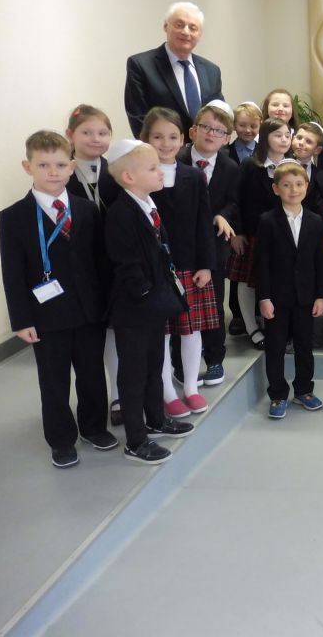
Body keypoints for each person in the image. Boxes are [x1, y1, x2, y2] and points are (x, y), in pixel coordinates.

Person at [0, 131, 114, 467]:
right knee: (54, 380)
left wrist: (107, 306)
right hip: (46, 315)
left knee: (92, 374)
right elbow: (12, 273)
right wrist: (21, 320)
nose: (53, 171)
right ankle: (61, 439)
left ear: (72, 167)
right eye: (43, 165)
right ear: (28, 167)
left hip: (88, 310)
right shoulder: (13, 217)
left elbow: (100, 263)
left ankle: (93, 427)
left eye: (61, 165)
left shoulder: (86, 210)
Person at [104, 140, 194, 463]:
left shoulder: (148, 205)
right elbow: (125, 262)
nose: (160, 172)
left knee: (156, 363)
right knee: (134, 373)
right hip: (135, 308)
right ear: (129, 177)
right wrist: (145, 293)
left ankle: (156, 419)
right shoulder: (121, 214)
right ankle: (135, 439)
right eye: (153, 168)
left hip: (154, 303)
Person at [141, 107, 217, 419]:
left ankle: (191, 387)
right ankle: (167, 392)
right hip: (156, 268)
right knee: (162, 333)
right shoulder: (141, 176)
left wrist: (206, 265)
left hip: (190, 265)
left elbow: (203, 222)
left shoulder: (194, 176)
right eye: (157, 137)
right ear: (146, 139)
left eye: (173, 136)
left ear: (184, 138)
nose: (166, 143)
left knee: (190, 329)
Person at [64, 105, 123, 423]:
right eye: (86, 132)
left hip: (114, 268)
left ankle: (118, 396)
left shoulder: (117, 172)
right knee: (87, 345)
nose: (95, 139)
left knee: (114, 333)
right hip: (79, 272)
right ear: (70, 135)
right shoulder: (61, 174)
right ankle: (91, 403)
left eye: (102, 133)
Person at [256, 161, 323, 419]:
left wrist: (321, 295)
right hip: (276, 297)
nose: (293, 190)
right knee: (275, 346)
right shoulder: (267, 221)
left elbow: (321, 262)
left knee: (304, 345)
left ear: (307, 187)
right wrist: (264, 297)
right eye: (286, 185)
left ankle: (304, 389)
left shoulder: (315, 221)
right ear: (276, 189)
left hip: (306, 297)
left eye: (298, 184)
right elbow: (261, 263)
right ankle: (277, 393)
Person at [178, 100, 240, 388]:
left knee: (213, 303)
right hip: (180, 245)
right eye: (206, 127)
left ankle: (215, 358)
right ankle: (180, 363)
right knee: (180, 304)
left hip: (214, 244)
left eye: (219, 130)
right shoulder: (176, 160)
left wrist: (222, 215)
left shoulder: (230, 167)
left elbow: (234, 202)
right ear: (193, 131)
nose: (212, 134)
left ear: (227, 138)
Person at [228, 118, 292, 349]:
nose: (284, 140)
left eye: (287, 135)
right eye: (278, 135)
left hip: (283, 235)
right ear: (265, 138)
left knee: (276, 281)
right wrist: (238, 232)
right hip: (252, 233)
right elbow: (236, 199)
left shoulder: (292, 165)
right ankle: (251, 328)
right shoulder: (250, 165)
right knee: (248, 282)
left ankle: (274, 325)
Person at [124, 2, 223, 137]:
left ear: (199, 34)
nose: (186, 32)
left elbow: (220, 117)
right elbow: (138, 119)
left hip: (204, 150)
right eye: (179, 25)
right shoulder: (141, 65)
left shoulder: (211, 71)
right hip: (163, 149)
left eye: (193, 28)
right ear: (166, 26)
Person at [225, 101, 261, 166]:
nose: (248, 130)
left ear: (260, 126)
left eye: (253, 126)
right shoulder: (225, 152)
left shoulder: (264, 153)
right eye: (242, 125)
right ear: (234, 125)